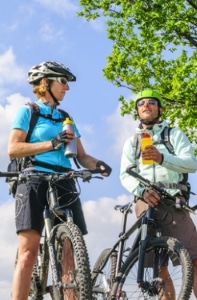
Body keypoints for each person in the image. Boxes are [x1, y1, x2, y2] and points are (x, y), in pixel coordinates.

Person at [7, 61, 112, 300]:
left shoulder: (66, 117)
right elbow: (13, 149)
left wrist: (99, 165)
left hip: (64, 179)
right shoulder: (28, 112)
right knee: (28, 252)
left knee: (69, 252)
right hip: (34, 178)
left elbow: (82, 156)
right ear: (46, 82)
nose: (67, 88)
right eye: (63, 82)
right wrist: (52, 143)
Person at [120, 88, 197, 299]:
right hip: (146, 202)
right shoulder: (132, 142)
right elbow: (125, 174)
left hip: (174, 201)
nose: (146, 105)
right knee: (159, 268)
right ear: (137, 110)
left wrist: (162, 158)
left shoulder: (174, 135)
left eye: (151, 102)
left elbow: (191, 164)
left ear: (160, 108)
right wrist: (141, 190)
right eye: (141, 103)